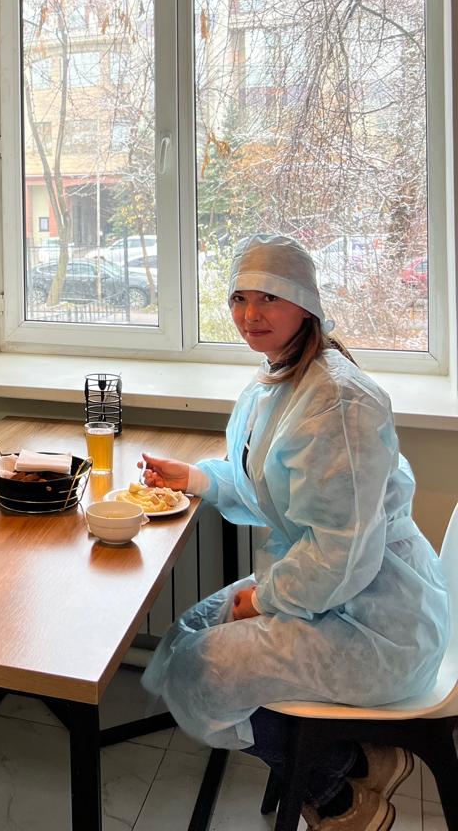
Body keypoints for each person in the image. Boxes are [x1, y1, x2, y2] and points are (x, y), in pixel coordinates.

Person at [141, 235, 450, 831]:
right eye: (239, 298)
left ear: (305, 304)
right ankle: (364, 760)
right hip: (336, 592)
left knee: (204, 669)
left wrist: (263, 600)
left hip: (380, 622)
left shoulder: (337, 402)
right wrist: (197, 478)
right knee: (191, 630)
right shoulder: (284, 378)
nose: (250, 315)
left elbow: (342, 552)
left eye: (269, 298)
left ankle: (338, 794)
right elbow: (276, 488)